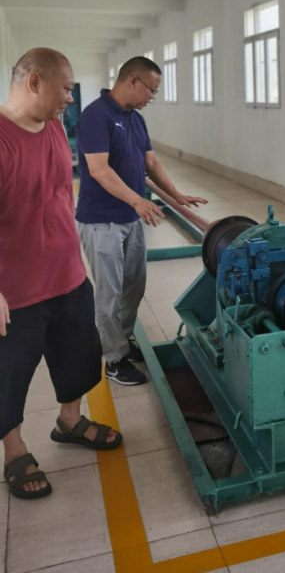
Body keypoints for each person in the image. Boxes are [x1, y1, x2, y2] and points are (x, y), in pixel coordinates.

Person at [1, 48, 123, 501]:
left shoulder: (54, 127)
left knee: (78, 355)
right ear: (34, 82)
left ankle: (69, 420)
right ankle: (14, 450)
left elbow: (55, 195)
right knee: (9, 374)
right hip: (15, 289)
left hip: (68, 273)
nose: (70, 99)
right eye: (65, 89)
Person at [76, 56, 207, 386]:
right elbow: (99, 170)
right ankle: (114, 359)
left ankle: (122, 340)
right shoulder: (95, 116)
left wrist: (177, 196)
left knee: (133, 286)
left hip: (130, 218)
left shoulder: (135, 118)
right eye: (152, 89)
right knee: (109, 293)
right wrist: (137, 200)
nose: (152, 97)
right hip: (102, 221)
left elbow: (151, 162)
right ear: (132, 81)